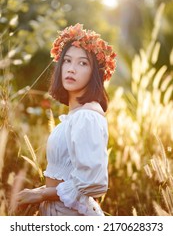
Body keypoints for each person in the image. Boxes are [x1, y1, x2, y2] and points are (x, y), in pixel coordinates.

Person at [14, 23, 117, 216]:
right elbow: (67, 177)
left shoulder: (87, 116)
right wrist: (35, 193)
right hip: (58, 211)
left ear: (95, 73)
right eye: (67, 61)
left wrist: (41, 195)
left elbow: (93, 183)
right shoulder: (75, 115)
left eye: (82, 63)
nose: (71, 69)